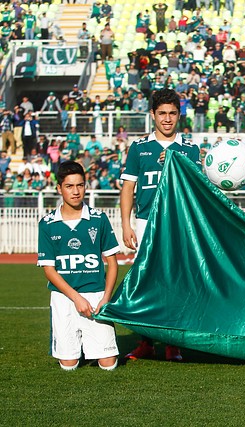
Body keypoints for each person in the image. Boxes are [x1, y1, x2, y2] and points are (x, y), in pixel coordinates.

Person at [120, 89, 201, 362]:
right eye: (162, 113)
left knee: (177, 282)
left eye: (173, 114)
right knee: (147, 282)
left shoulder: (189, 150)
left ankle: (172, 344)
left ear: (180, 115)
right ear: (152, 115)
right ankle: (146, 342)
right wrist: (126, 224)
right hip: (145, 224)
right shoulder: (139, 148)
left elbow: (196, 189)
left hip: (178, 225)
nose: (167, 119)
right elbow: (128, 187)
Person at [37, 161, 120, 371]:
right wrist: (76, 298)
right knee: (69, 365)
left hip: (96, 295)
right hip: (64, 297)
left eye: (80, 185)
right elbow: (49, 270)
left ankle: (93, 346)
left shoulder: (99, 219)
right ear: (59, 188)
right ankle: (78, 350)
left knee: (108, 365)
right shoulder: (47, 223)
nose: (76, 192)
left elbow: (112, 262)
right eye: (69, 186)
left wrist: (106, 298)